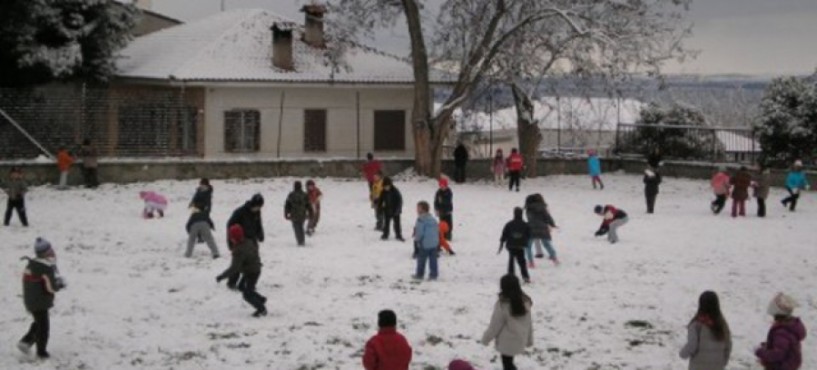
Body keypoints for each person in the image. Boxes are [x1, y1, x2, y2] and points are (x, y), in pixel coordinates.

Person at [17, 238, 66, 359]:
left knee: (39, 323)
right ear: (43, 253)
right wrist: (59, 285)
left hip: (31, 300)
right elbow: (51, 288)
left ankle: (25, 342)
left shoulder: (34, 263)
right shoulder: (45, 267)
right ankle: (41, 352)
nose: (52, 252)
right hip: (40, 302)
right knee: (43, 328)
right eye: (49, 251)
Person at [481, 274, 533, 370]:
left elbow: (495, 326)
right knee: (509, 363)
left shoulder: (503, 304)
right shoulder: (525, 301)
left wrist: (485, 339)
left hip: (507, 343)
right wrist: (529, 340)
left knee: (507, 364)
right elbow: (529, 323)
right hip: (520, 339)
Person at [216, 225, 267, 317]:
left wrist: (222, 276)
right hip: (254, 269)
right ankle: (260, 299)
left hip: (252, 272)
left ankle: (261, 309)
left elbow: (234, 268)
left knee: (247, 294)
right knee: (241, 287)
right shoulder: (248, 241)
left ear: (233, 238)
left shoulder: (239, 250)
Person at [679, 291, 732, 370]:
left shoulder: (697, 325)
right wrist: (723, 361)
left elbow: (692, 345)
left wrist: (682, 354)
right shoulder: (722, 325)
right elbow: (728, 345)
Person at [755, 292, 807, 370]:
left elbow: (777, 354)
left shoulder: (782, 332)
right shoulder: (789, 326)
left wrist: (761, 352)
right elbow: (783, 346)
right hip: (789, 364)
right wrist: (769, 345)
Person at [226, 194, 265, 289]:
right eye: (257, 206)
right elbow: (230, 226)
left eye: (260, 207)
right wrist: (231, 242)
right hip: (240, 241)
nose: (258, 208)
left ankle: (248, 282)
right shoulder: (240, 212)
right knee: (239, 262)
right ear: (253, 204)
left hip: (252, 240)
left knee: (252, 262)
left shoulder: (257, 212)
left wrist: (260, 234)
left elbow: (258, 223)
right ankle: (232, 282)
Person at [524, 194, 558, 267]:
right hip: (543, 228)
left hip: (532, 229)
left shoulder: (529, 208)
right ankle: (554, 258)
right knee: (546, 244)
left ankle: (531, 263)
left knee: (528, 246)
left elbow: (530, 219)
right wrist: (552, 224)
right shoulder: (543, 208)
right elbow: (548, 217)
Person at [498, 207, 531, 283]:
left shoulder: (509, 224)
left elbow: (504, 234)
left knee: (511, 260)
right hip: (520, 245)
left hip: (511, 245)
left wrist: (502, 242)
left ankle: (511, 276)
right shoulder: (525, 224)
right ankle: (525, 276)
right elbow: (529, 234)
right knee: (522, 261)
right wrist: (525, 241)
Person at [412, 201, 439, 280]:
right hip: (434, 243)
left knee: (421, 259)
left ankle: (419, 274)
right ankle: (433, 274)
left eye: (418, 208)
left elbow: (419, 232)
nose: (416, 210)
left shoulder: (421, 220)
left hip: (425, 243)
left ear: (422, 210)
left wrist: (417, 240)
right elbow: (437, 230)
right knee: (433, 260)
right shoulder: (433, 219)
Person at [285, 181, 311, 246]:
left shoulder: (291, 195)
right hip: (302, 214)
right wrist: (311, 213)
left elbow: (287, 205)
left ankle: (300, 241)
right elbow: (308, 205)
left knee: (296, 228)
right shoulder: (304, 195)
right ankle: (302, 240)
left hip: (294, 215)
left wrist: (286, 213)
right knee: (301, 227)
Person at [379, 177, 404, 241]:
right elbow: (381, 200)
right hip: (387, 210)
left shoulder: (395, 191)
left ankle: (398, 235)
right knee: (386, 223)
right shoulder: (383, 191)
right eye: (384, 186)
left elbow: (400, 201)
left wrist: (398, 210)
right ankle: (385, 234)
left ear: (390, 185)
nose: (386, 188)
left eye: (387, 186)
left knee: (397, 224)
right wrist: (380, 207)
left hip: (395, 210)